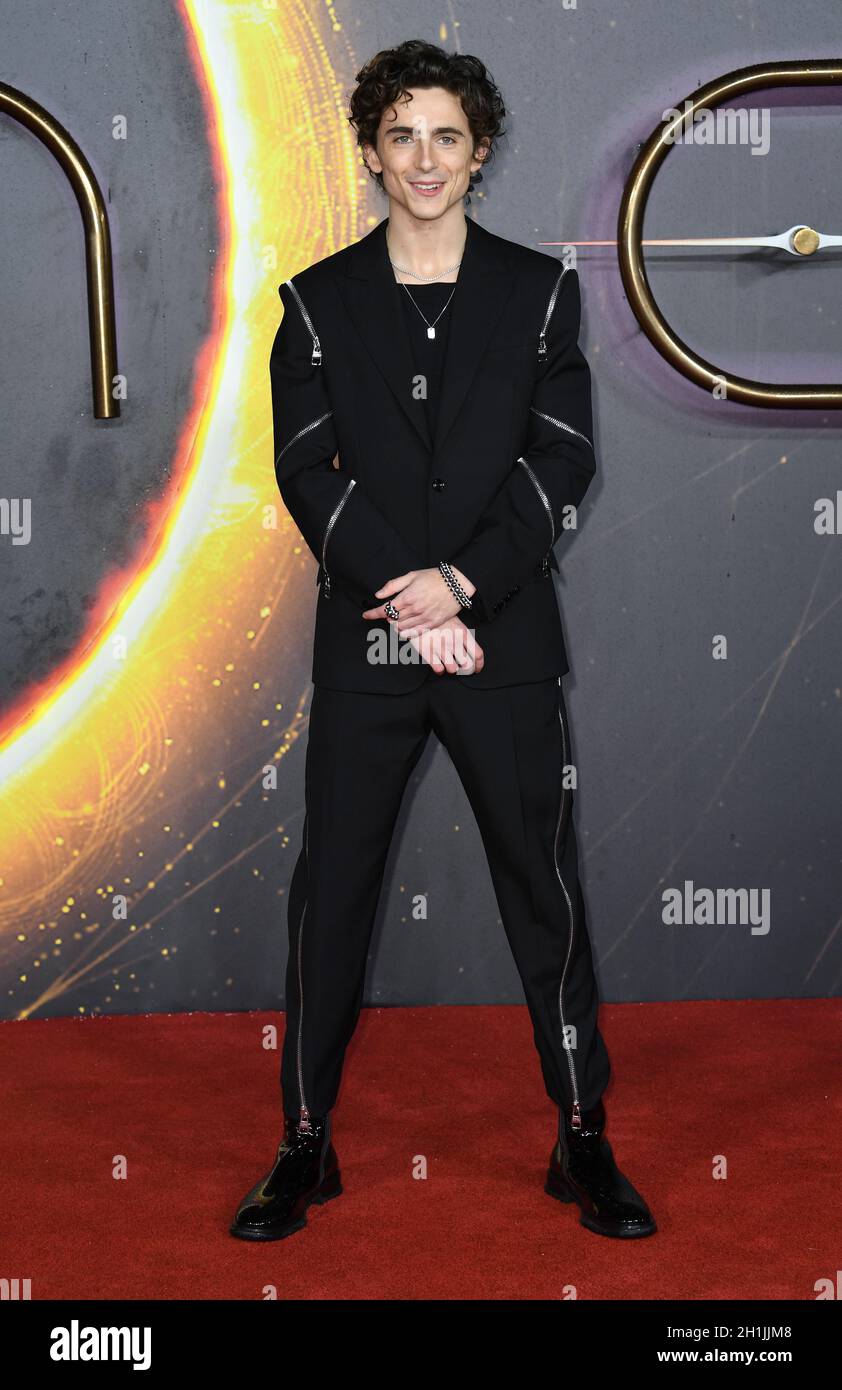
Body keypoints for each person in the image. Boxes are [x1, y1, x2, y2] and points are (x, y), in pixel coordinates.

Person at [230, 39, 656, 1243]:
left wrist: (460, 585)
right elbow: (305, 470)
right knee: (333, 900)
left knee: (543, 891)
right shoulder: (314, 301)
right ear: (371, 152)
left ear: (479, 152)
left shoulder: (539, 292)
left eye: (447, 136)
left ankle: (581, 1138)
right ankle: (302, 1146)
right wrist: (410, 599)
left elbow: (563, 456)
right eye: (401, 135)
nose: (424, 158)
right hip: (365, 645)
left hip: (502, 640)